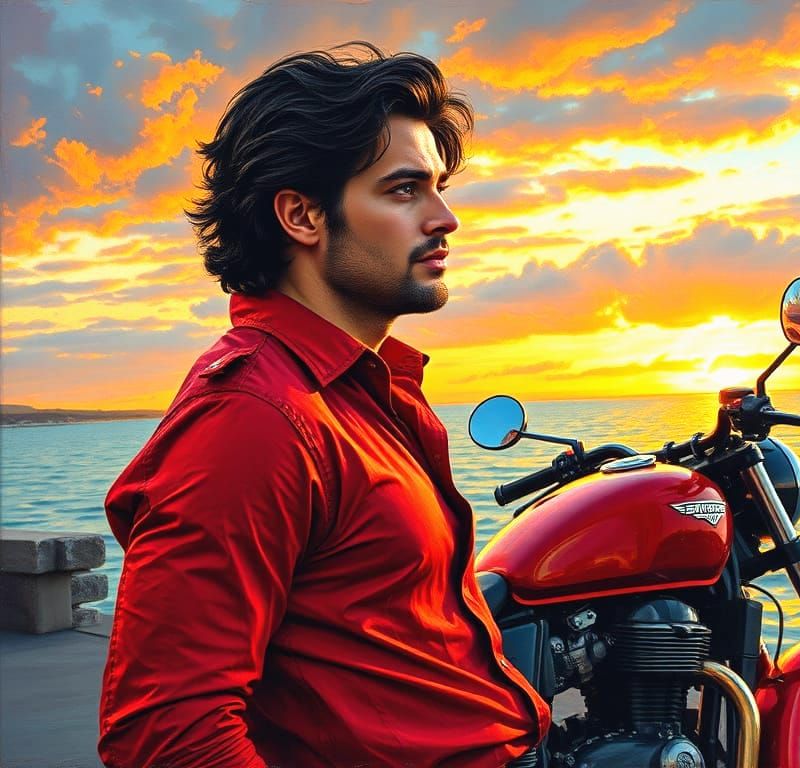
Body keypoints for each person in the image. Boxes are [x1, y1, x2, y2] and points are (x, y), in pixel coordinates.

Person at [98, 42, 550, 768]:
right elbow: (166, 735)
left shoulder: (362, 392)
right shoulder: (254, 419)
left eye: (438, 187)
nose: (445, 219)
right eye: (404, 190)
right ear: (303, 216)